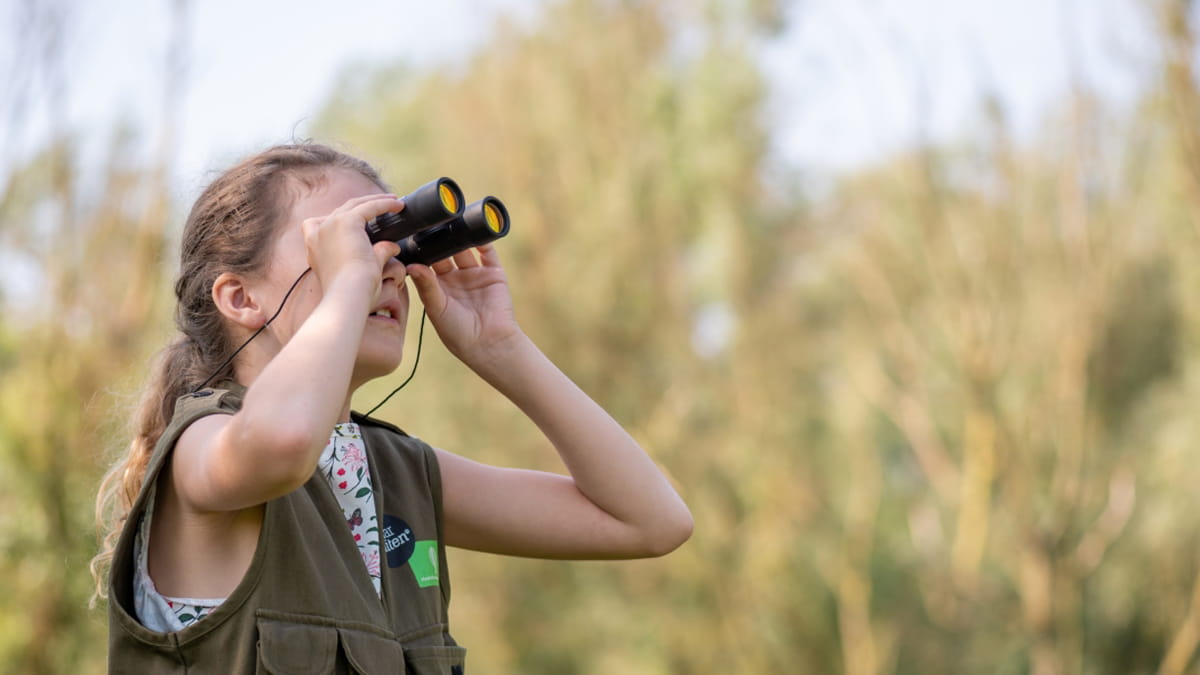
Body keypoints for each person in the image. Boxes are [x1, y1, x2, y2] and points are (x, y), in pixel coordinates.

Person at [91, 143, 693, 673]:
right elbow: (281, 442)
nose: (388, 269)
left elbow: (650, 522)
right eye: (349, 245)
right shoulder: (201, 450)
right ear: (240, 296)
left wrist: (501, 347)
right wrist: (352, 281)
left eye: (395, 250)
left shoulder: (394, 473)